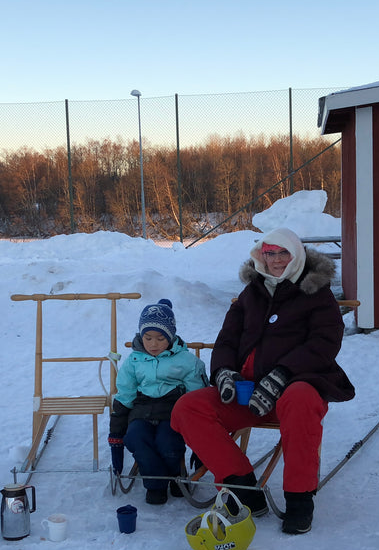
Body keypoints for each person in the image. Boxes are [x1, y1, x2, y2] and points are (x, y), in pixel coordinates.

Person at [171, 227, 355, 534]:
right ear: (261, 255)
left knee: (300, 398)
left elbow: (324, 342)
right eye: (270, 253)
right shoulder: (251, 293)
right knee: (188, 407)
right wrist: (224, 372)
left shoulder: (316, 294)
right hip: (247, 393)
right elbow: (227, 338)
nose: (277, 260)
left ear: (296, 255)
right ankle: (242, 488)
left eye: (284, 253)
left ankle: (299, 500)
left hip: (295, 390)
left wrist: (282, 375)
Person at [108, 299, 208, 505]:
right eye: (148, 337)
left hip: (172, 411)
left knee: (168, 442)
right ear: (141, 335)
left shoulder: (186, 361)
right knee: (135, 438)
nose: (153, 344)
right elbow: (125, 394)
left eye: (160, 338)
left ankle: (174, 477)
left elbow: (196, 394)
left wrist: (200, 427)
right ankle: (156, 483)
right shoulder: (134, 361)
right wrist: (117, 428)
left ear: (170, 337)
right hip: (142, 411)